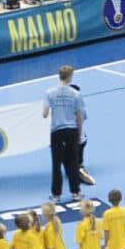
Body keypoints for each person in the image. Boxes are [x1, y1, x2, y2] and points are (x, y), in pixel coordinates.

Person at [44, 64, 88, 197]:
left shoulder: (49, 93)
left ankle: (56, 194)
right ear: (70, 77)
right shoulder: (76, 94)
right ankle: (76, 192)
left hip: (57, 132)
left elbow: (44, 114)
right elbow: (79, 117)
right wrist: (79, 134)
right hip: (72, 131)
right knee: (72, 162)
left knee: (56, 164)